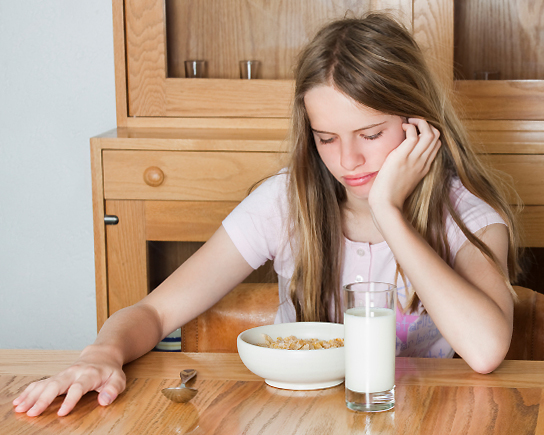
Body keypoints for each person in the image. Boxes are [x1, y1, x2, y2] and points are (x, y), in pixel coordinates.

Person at [14, 12, 522, 417]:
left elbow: (484, 350)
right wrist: (100, 356)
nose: (348, 161)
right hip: (294, 416)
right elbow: (152, 313)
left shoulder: (467, 216)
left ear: (419, 125)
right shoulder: (285, 203)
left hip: (420, 417)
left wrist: (389, 212)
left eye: (370, 135)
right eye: (326, 138)